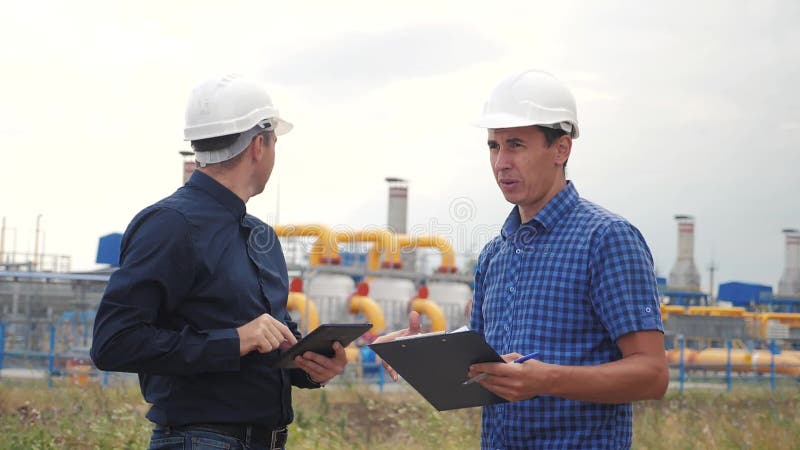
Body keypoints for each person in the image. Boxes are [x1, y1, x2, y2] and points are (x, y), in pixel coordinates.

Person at [385, 70, 669, 449]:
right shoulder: (494, 256)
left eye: (515, 144)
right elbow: (484, 372)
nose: (501, 162)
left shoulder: (606, 240)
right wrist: (417, 354)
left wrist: (545, 379)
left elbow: (652, 375)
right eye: (493, 146)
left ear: (561, 148)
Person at [90, 74, 348, 450]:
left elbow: (271, 339)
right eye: (275, 141)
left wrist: (311, 366)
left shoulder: (261, 236)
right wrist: (234, 341)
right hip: (198, 439)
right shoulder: (170, 225)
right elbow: (113, 342)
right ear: (260, 145)